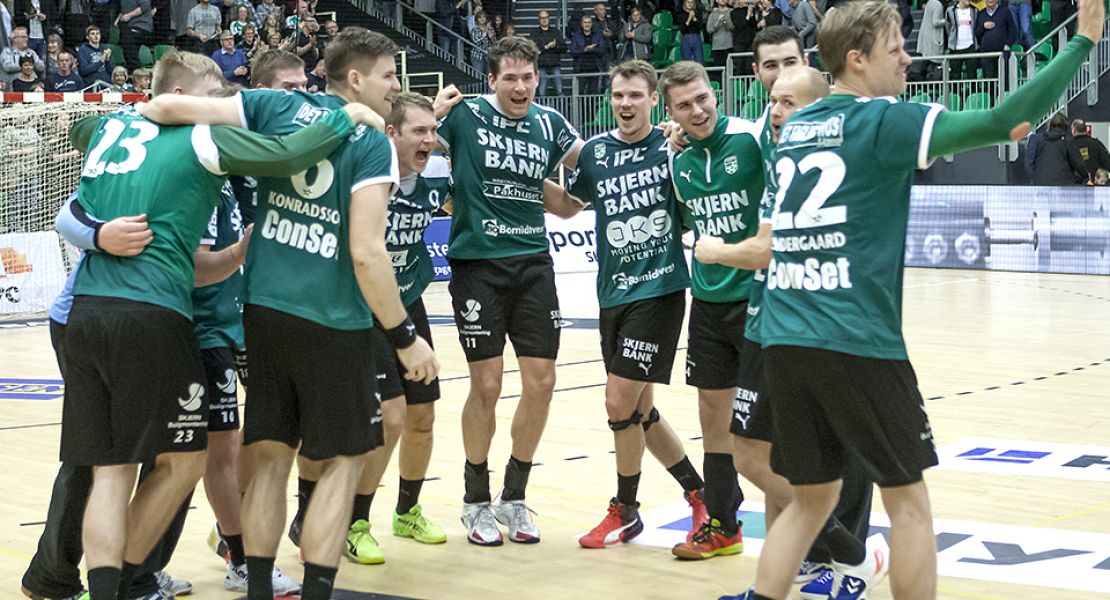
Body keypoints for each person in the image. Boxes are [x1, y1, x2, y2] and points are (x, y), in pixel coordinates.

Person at [727, 0, 1105, 598]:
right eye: (896, 48)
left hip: (782, 338)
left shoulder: (796, 128)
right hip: (854, 338)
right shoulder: (885, 120)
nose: (908, 57)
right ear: (857, 60)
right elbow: (1009, 118)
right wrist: (1083, 40)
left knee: (810, 500)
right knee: (908, 503)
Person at [61, 49, 382, 600]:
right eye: (214, 98)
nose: (225, 107)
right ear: (180, 99)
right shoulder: (203, 139)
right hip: (152, 311)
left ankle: (110, 589)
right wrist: (345, 117)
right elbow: (288, 154)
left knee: (111, 471)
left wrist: (95, 230)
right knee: (186, 461)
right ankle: (134, 579)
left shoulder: (111, 127)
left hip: (85, 312)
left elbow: (78, 130)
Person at [139, 28, 438, 600]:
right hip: (334, 319)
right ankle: (317, 591)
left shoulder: (276, 106)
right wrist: (405, 337)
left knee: (271, 458)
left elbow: (165, 106)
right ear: (355, 79)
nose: (395, 86)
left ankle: (257, 588)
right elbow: (367, 252)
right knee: (343, 463)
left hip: (264, 313)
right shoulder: (370, 142)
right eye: (388, 75)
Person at [436, 35, 584, 547]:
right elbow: (410, 135)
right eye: (510, 78)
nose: (520, 87)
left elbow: (591, 167)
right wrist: (433, 112)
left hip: (534, 263)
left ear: (537, 79)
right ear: (492, 80)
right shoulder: (465, 115)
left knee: (542, 383)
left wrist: (659, 143)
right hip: (478, 265)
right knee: (488, 385)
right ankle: (474, 499)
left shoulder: (550, 123)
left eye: (528, 78)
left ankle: (514, 496)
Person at [566, 59, 709, 550]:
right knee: (640, 410)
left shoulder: (672, 147)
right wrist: (509, 181)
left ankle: (625, 509)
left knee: (617, 399)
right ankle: (699, 494)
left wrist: (683, 139)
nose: (625, 103)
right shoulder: (596, 153)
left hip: (660, 289)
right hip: (612, 294)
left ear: (653, 101)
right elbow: (569, 206)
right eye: (618, 95)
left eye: (634, 95)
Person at [660, 58, 764, 562]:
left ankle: (811, 524)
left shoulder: (750, 139)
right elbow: (686, 222)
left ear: (715, 93)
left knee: (771, 422)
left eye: (702, 98)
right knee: (712, 416)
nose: (697, 110)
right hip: (707, 302)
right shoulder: (677, 162)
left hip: (759, 300)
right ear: (671, 113)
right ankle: (723, 524)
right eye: (684, 105)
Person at [342, 92, 450, 565]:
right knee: (391, 415)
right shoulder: (369, 175)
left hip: (408, 301)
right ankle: (354, 522)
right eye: (419, 131)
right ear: (391, 134)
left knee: (423, 416)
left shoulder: (435, 177)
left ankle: (407, 512)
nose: (429, 140)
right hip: (363, 309)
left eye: (433, 131)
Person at [1030, 112, 1086, 184]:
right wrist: (1086, 176)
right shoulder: (1068, 141)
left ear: (1051, 126)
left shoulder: (1038, 140)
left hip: (1041, 182)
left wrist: (1035, 179)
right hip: (1064, 183)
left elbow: (1029, 162)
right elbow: (1078, 163)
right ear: (1065, 127)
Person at [974, 0, 1015, 81]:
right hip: (986, 54)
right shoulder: (981, 14)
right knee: (989, 81)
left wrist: (1008, 44)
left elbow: (1012, 30)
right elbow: (977, 33)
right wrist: (983, 26)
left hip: (1002, 53)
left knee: (1004, 79)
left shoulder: (1005, 12)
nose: (990, 0)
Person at [570, 15, 606, 93]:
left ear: (591, 24)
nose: (587, 24)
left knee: (593, 92)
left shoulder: (598, 35)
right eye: (585, 22)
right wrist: (584, 50)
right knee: (580, 92)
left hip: (595, 68)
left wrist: (593, 49)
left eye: (589, 22)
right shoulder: (576, 36)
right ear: (581, 24)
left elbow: (602, 50)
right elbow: (573, 52)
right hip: (581, 69)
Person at [534, 9, 566, 95]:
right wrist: (547, 47)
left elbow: (564, 48)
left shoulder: (556, 32)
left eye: (546, 17)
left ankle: (561, 104)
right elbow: (534, 49)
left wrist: (555, 46)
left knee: (560, 91)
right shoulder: (535, 33)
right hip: (541, 65)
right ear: (539, 20)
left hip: (555, 64)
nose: (544, 20)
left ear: (549, 18)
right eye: (542, 18)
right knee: (541, 92)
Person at [117, 0, 153, 71]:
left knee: (128, 39)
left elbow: (145, 6)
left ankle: (135, 71)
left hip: (141, 25)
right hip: (128, 26)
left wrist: (129, 15)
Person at [946, 0, 978, 79]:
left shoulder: (975, 10)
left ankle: (973, 88)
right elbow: (948, 28)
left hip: (971, 46)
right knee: (955, 75)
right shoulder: (950, 11)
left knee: (972, 75)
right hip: (955, 48)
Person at [706, 0, 733, 68]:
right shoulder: (712, 14)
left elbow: (733, 27)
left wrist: (724, 22)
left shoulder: (731, 12)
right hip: (716, 47)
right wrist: (717, 23)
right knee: (718, 70)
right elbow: (709, 30)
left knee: (729, 68)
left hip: (729, 45)